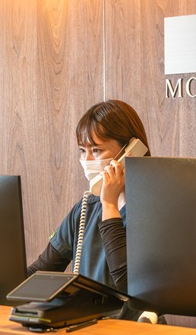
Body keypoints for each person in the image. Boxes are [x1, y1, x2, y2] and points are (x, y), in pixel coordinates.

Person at [27, 100, 151, 295]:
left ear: (130, 150)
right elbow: (40, 272)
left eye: (96, 150)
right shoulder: (87, 207)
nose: (86, 160)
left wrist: (109, 204)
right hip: (86, 315)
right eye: (83, 151)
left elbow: (130, 286)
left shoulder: (153, 209)